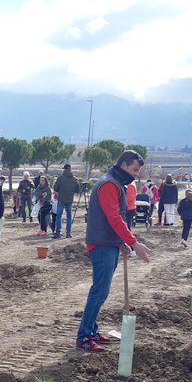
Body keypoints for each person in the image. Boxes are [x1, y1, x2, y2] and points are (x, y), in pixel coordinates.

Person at [75, 151, 152, 352]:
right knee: (99, 292)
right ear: (124, 165)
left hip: (108, 244)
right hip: (101, 246)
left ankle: (91, 330)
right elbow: (114, 217)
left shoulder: (115, 183)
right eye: (135, 169)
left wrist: (121, 242)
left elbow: (115, 219)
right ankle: (84, 336)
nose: (136, 174)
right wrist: (134, 242)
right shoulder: (109, 184)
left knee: (101, 292)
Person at [52, 164, 78, 239]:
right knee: (69, 216)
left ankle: (58, 232)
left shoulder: (60, 178)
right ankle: (68, 232)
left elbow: (56, 188)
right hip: (70, 199)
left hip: (61, 199)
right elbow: (77, 190)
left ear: (64, 169)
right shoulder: (74, 179)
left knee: (59, 216)